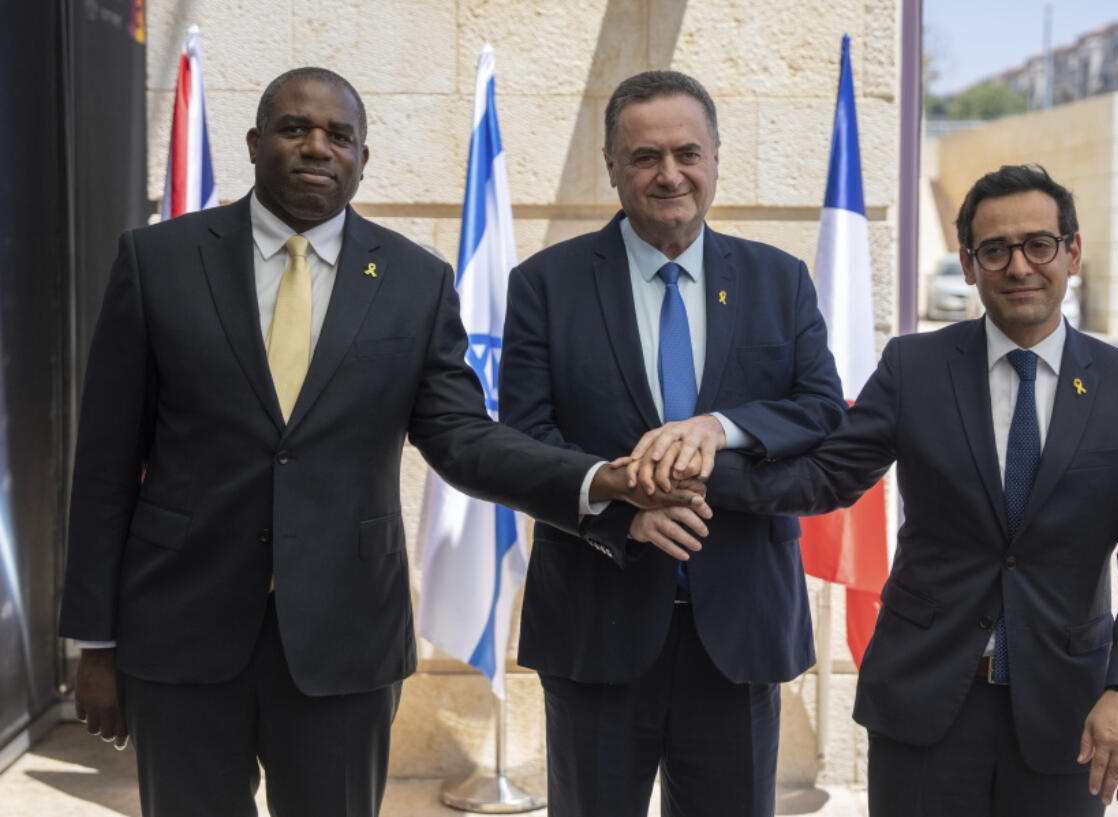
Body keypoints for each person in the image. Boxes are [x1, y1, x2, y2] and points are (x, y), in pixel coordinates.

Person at [59, 66, 699, 817]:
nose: (317, 147)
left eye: (340, 135)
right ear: (255, 142)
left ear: (365, 159)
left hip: (346, 642)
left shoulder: (414, 282)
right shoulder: (156, 261)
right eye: (296, 128)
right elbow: (104, 465)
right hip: (180, 634)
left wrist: (598, 481)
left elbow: (462, 438)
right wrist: (93, 644)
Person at [685, 164, 1118, 815]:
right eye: (995, 250)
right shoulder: (913, 366)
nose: (1020, 266)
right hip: (923, 706)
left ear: (1073, 251)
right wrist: (699, 469)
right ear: (969, 263)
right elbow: (825, 476)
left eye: (1038, 244)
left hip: (1069, 714)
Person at [498, 70, 847, 817]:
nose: (669, 173)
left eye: (687, 152)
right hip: (597, 624)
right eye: (646, 156)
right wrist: (621, 511)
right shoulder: (544, 285)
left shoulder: (778, 281)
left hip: (739, 632)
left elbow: (821, 412)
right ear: (611, 165)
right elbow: (522, 443)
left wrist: (721, 428)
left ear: (716, 157)